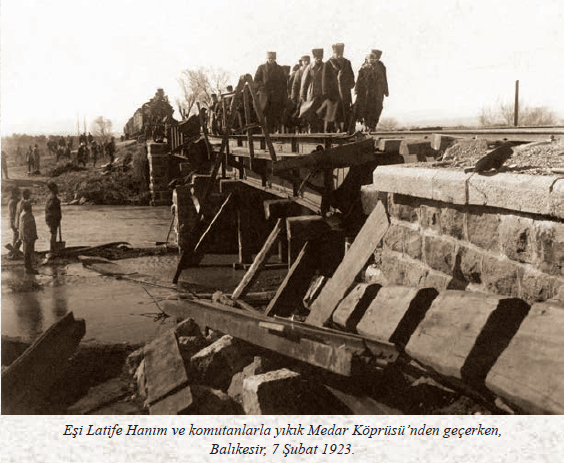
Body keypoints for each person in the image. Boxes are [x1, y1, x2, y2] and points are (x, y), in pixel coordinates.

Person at [254, 51, 288, 133]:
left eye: (272, 58)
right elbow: (256, 81)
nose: (271, 60)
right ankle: (264, 133)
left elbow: (284, 83)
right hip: (264, 96)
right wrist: (261, 87)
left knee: (273, 116)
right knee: (263, 115)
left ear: (275, 59)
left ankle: (271, 134)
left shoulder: (279, 68)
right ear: (267, 59)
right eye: (269, 58)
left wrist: (280, 92)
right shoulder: (261, 68)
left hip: (276, 96)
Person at [324, 43, 355, 132]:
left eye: (341, 53)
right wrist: (325, 93)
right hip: (333, 93)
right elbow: (325, 80)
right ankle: (335, 128)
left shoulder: (347, 62)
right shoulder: (328, 63)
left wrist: (351, 84)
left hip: (345, 92)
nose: (339, 55)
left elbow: (351, 76)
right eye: (337, 53)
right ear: (333, 53)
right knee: (334, 112)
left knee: (345, 111)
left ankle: (345, 130)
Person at [355, 51, 389, 131]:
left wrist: (385, 90)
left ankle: (373, 125)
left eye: (374, 59)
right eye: (371, 59)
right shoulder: (363, 68)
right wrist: (357, 90)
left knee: (378, 108)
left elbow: (384, 78)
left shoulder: (380, 66)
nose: (373, 60)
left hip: (378, 93)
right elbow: (359, 80)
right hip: (366, 93)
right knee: (367, 108)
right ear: (367, 59)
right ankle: (367, 125)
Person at [300, 48, 325, 133]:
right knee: (311, 116)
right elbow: (304, 82)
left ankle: (321, 135)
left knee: (321, 116)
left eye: (320, 57)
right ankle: (311, 132)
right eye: (317, 57)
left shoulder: (325, 66)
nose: (319, 59)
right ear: (314, 57)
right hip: (312, 94)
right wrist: (303, 97)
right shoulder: (310, 67)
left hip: (322, 95)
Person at [19, 201, 39, 274]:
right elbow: (24, 227)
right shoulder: (26, 215)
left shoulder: (24, 214)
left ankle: (28, 268)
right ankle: (28, 268)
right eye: (30, 206)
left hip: (28, 236)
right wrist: (28, 237)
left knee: (27, 252)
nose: (31, 207)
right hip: (28, 237)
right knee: (28, 253)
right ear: (28, 207)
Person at [45, 182, 62, 253]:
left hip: (53, 218)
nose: (57, 189)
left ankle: (53, 248)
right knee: (53, 233)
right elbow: (50, 207)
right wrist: (57, 202)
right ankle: (52, 250)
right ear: (53, 189)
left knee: (54, 233)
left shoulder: (52, 197)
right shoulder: (52, 198)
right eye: (56, 188)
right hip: (52, 219)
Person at [8, 187, 21, 253]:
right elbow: (14, 213)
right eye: (17, 193)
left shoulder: (11, 201)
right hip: (14, 221)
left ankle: (14, 250)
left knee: (16, 235)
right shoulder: (14, 201)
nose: (18, 195)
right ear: (14, 194)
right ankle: (14, 250)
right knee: (19, 235)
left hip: (12, 221)